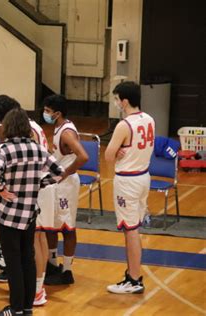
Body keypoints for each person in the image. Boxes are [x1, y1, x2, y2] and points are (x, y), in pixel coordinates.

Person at [0, 108, 66, 316]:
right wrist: (39, 184)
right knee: (27, 260)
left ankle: (14, 309)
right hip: (30, 212)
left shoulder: (4, 149)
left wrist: (2, 190)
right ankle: (27, 307)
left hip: (8, 214)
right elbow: (59, 173)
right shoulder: (37, 148)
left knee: (13, 261)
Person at [105, 81, 154, 294]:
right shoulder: (150, 119)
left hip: (128, 180)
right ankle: (132, 276)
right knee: (134, 228)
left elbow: (107, 156)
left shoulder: (124, 125)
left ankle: (134, 279)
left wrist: (116, 153)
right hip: (144, 176)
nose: (116, 103)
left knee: (130, 230)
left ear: (124, 101)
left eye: (117, 99)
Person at [41, 95, 88, 286]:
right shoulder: (61, 127)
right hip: (58, 183)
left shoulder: (66, 132)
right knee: (51, 225)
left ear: (57, 113)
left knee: (67, 227)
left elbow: (83, 156)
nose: (45, 114)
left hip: (66, 184)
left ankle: (67, 271)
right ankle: (52, 264)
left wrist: (65, 173)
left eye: (48, 111)